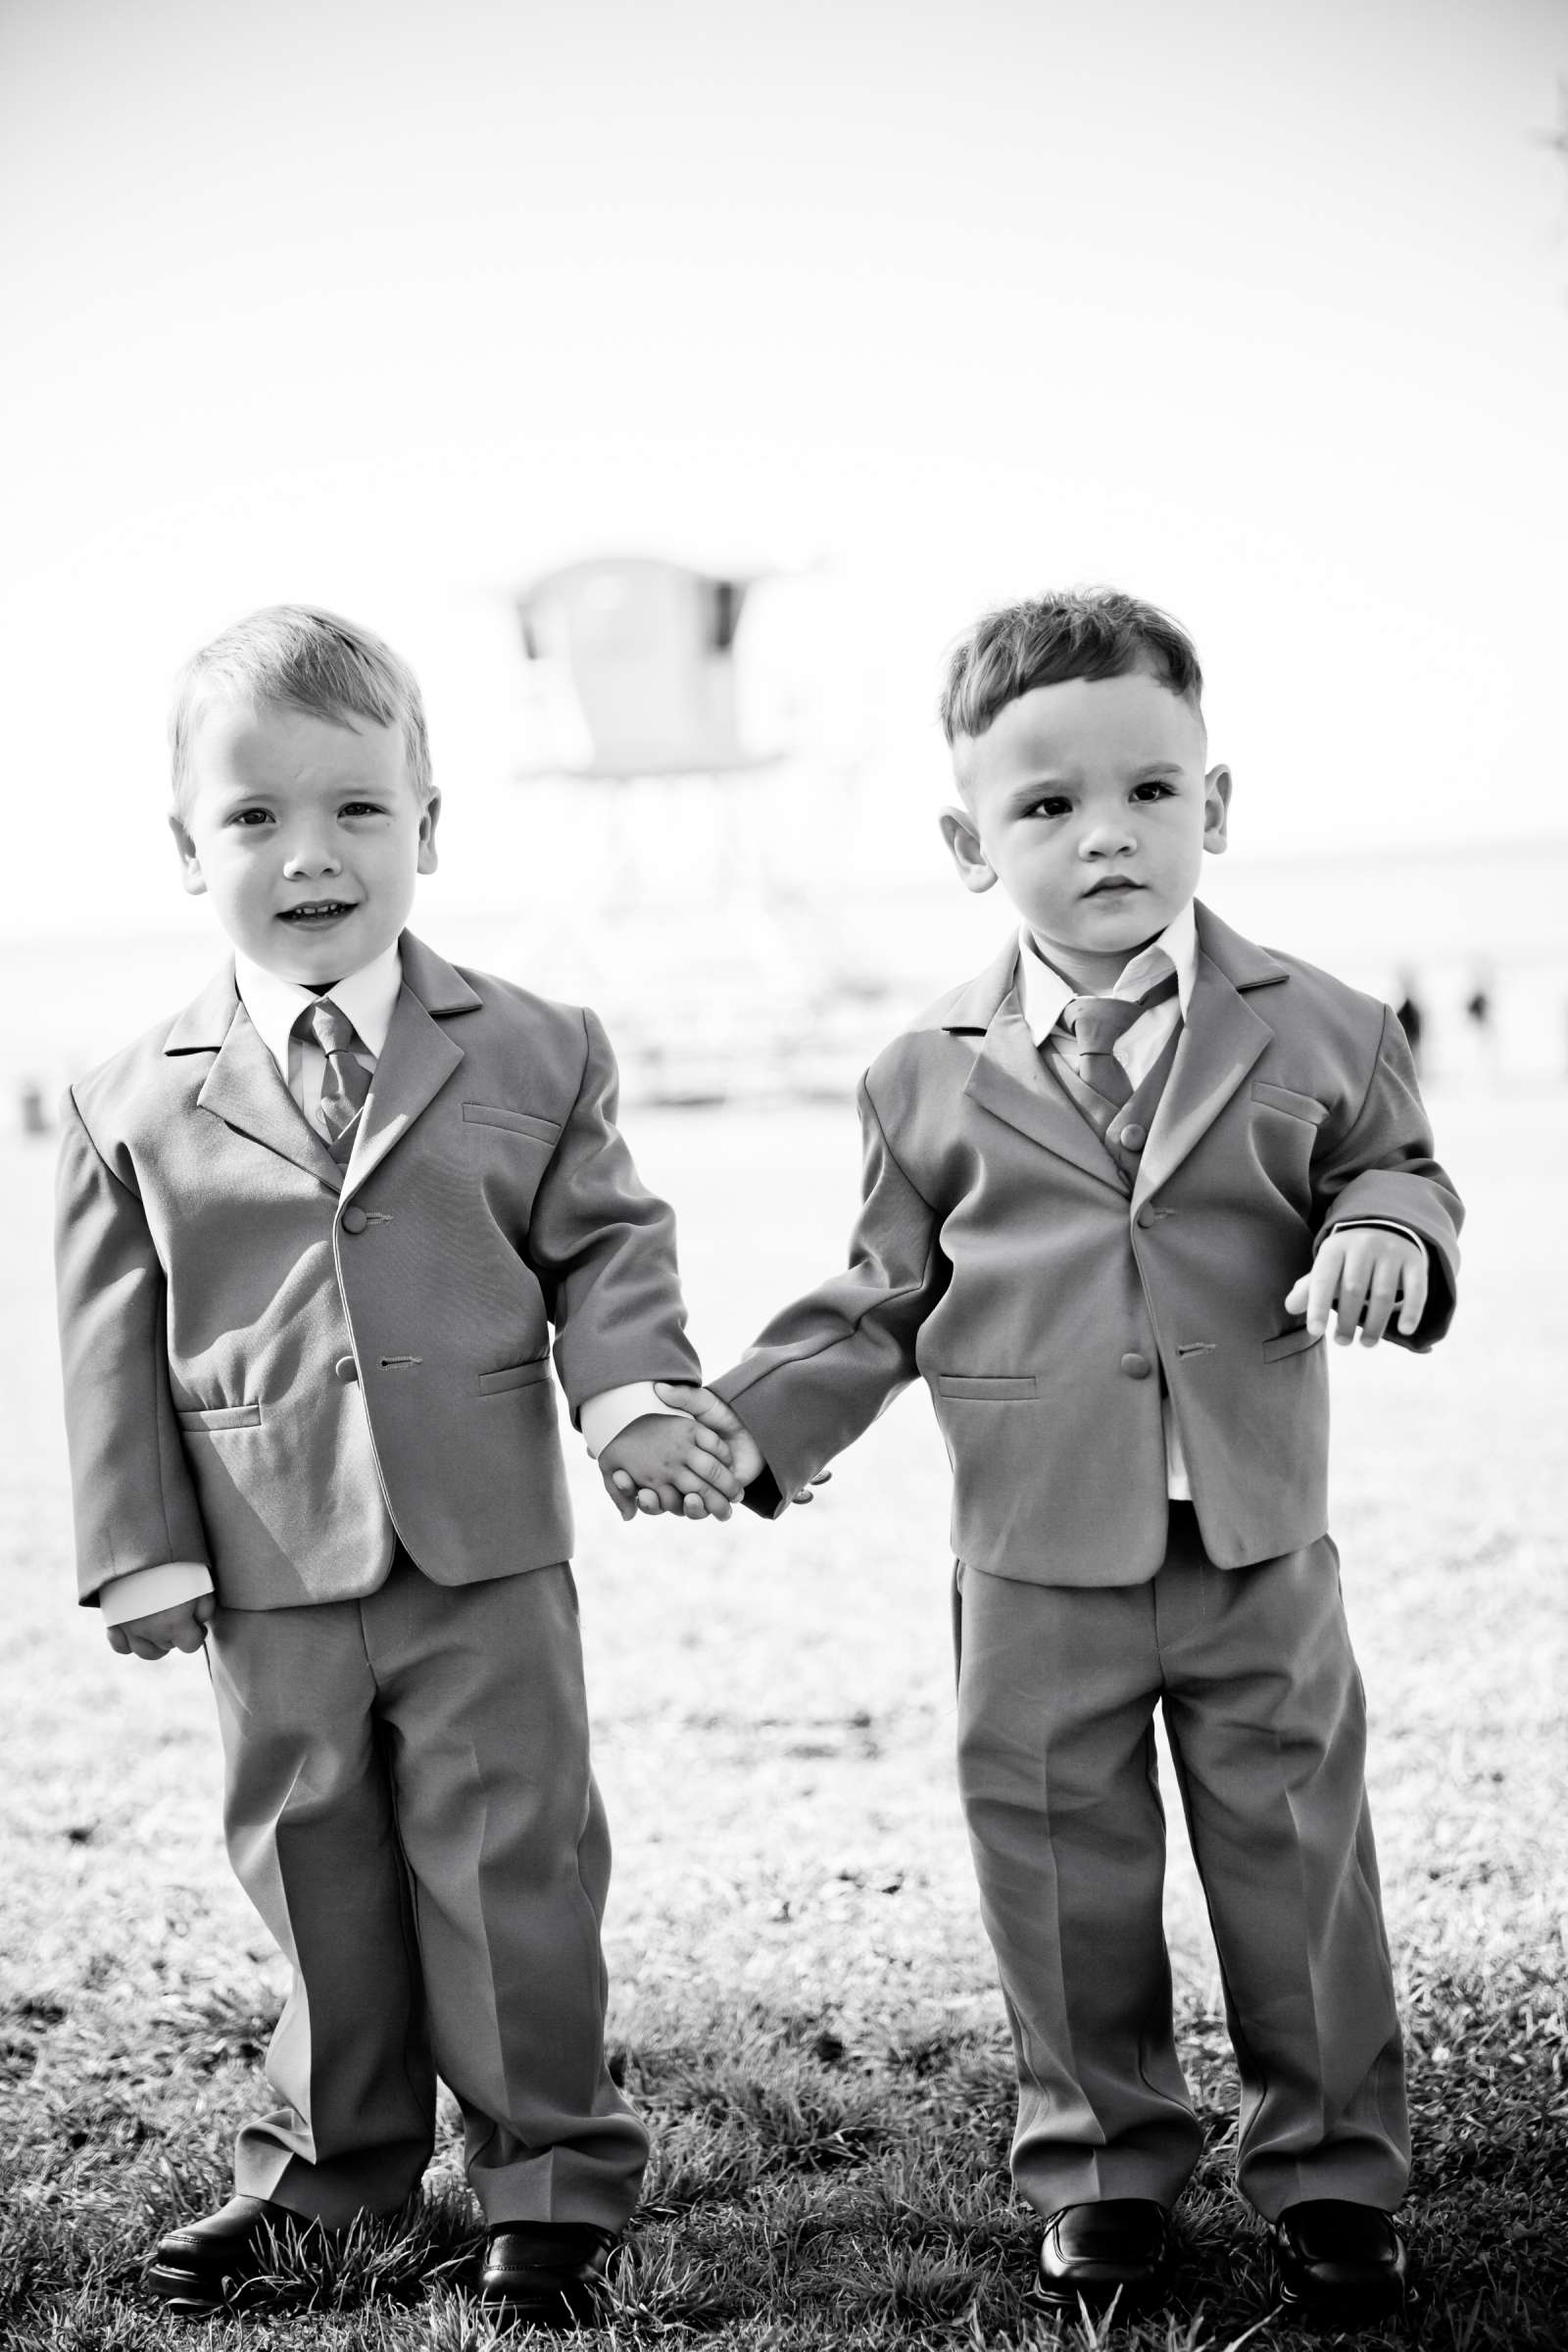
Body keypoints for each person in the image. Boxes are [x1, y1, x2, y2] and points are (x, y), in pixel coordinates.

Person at [623, 590, 1463, 2325]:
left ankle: (1333, 2177)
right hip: (1031, 1555)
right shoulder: (918, 1072)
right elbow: (878, 1296)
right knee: (1060, 1872)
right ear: (967, 840)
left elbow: (1401, 1170)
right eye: (1048, 806)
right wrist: (746, 1428)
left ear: (1214, 809)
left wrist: (1390, 1229)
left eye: (1153, 793)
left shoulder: (1324, 1024)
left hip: (1253, 1542)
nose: (1108, 836)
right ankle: (1100, 2166)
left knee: (1298, 1860)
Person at [53, 606, 745, 2326]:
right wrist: (136, 1547)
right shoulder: (124, 1099)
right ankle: (326, 2175)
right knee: (311, 1866)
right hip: (264, 1559)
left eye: (360, 810)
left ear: (430, 825)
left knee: (514, 1861)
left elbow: (606, 1249)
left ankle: (550, 2179)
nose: (311, 857)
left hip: (487, 1546)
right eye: (255, 819)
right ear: (184, 848)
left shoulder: (537, 1045)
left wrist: (633, 1397)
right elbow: (106, 1342)